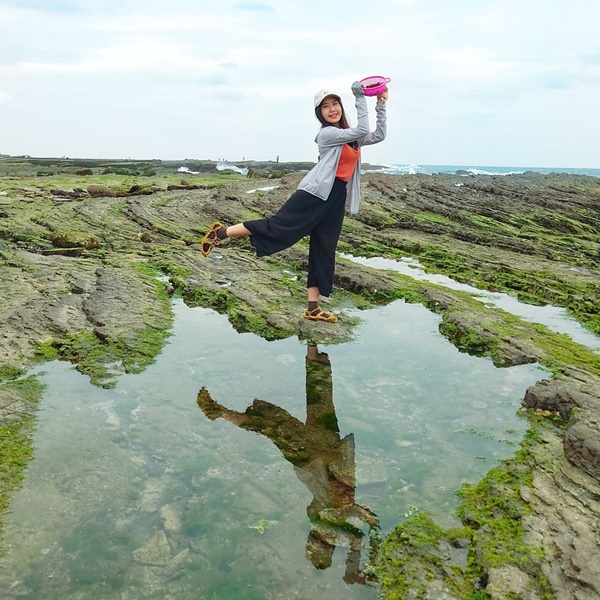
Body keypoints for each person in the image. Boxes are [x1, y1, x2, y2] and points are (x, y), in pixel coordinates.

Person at [200, 81, 388, 323]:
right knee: (278, 226)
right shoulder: (327, 134)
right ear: (319, 113)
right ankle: (221, 232)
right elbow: (363, 129)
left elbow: (379, 134)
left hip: (335, 197)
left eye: (335, 104)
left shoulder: (350, 138)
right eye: (325, 107)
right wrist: (359, 95)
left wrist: (381, 103)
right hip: (314, 194)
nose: (332, 109)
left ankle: (313, 308)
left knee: (324, 248)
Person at [196, 343, 380, 584]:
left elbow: (354, 532)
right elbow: (364, 527)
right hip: (328, 452)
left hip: (310, 456)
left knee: (275, 425)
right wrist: (361, 561)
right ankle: (314, 355)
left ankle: (218, 412)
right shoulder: (334, 515)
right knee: (320, 404)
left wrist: (355, 560)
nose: (349, 496)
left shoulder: (321, 516)